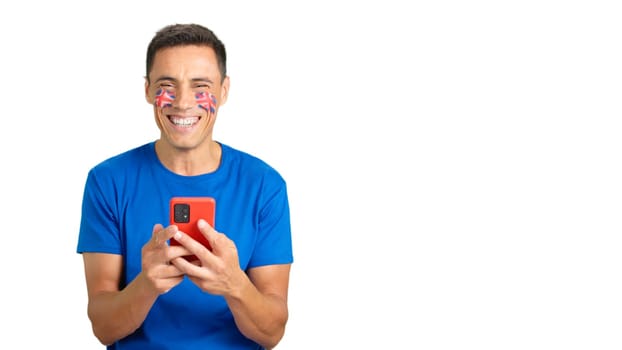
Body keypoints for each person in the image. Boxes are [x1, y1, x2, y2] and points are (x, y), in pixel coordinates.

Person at [76, 23, 293, 350]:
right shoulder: (107, 181)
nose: (183, 102)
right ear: (148, 90)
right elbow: (104, 328)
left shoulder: (264, 185)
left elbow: (272, 332)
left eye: (200, 85)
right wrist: (146, 286)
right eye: (167, 85)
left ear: (224, 90)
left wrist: (235, 286)